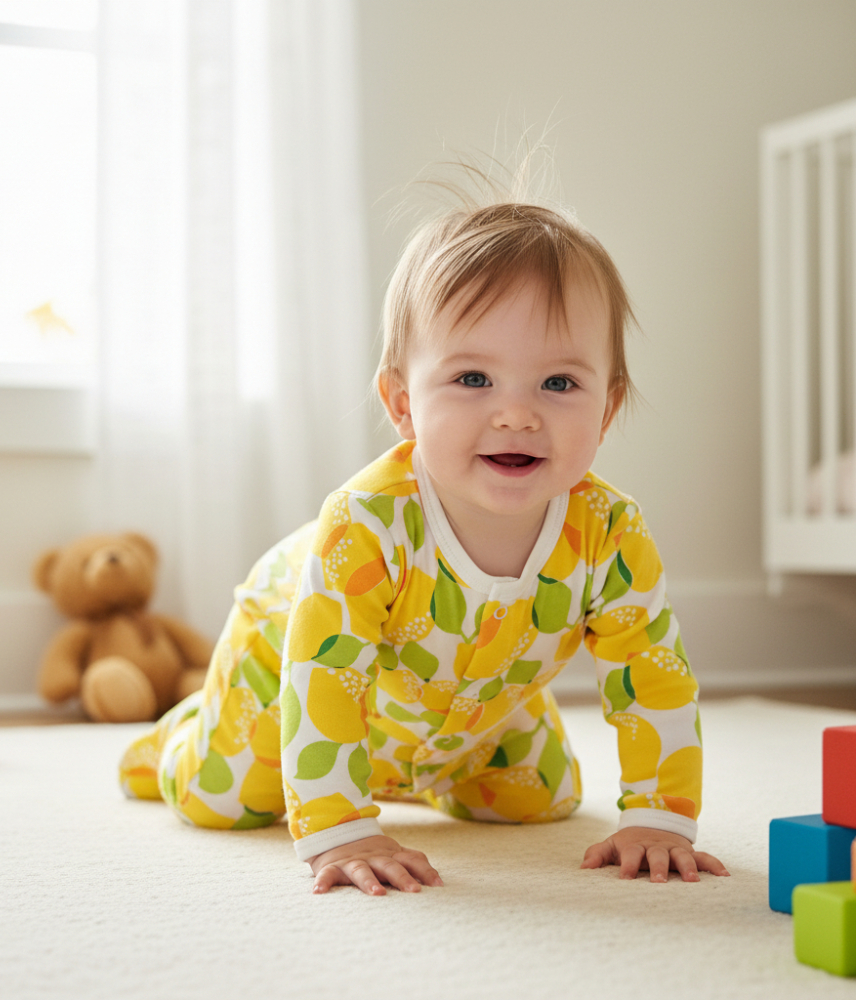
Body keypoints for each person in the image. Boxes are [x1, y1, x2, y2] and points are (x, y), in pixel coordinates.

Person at [119, 199, 730, 895]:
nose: (516, 413)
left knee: (542, 800)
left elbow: (651, 675)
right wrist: (342, 828)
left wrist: (660, 815)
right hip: (295, 657)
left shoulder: (611, 532)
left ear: (608, 408)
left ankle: (414, 755)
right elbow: (327, 671)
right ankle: (179, 733)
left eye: (559, 383)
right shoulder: (367, 522)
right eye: (473, 379)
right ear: (402, 403)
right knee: (221, 801)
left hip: (470, 692)